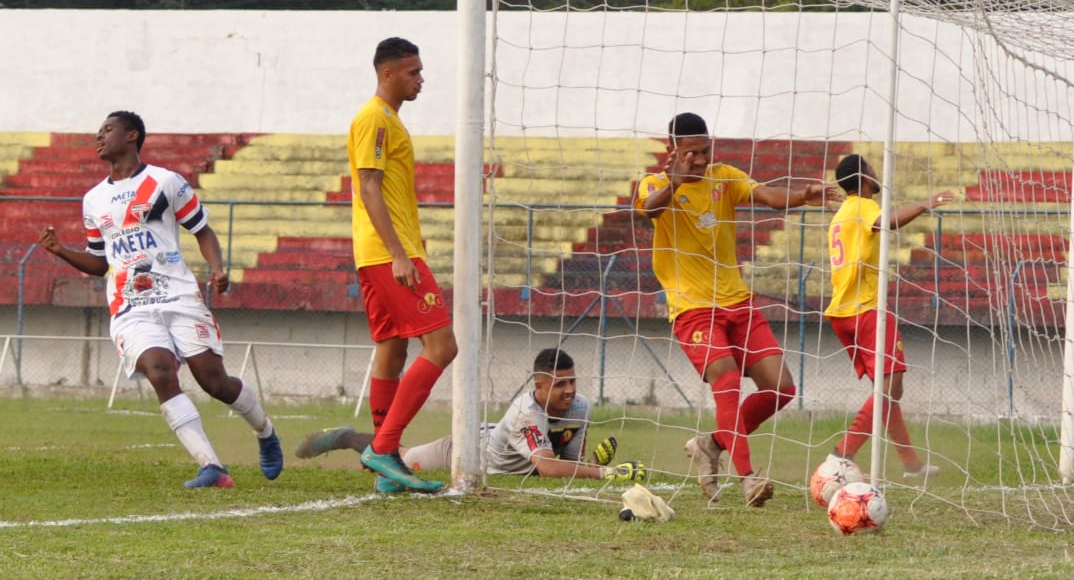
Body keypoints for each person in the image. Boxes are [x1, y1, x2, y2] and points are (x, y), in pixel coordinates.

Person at [37, 110, 283, 489]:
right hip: (130, 305)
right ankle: (212, 467)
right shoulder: (93, 200)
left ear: (132, 135)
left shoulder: (164, 182)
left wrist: (217, 268)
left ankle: (265, 431)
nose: (98, 136)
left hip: (179, 294)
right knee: (159, 370)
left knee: (213, 382)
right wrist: (61, 251)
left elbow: (203, 230)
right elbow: (100, 262)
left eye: (108, 130)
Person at [634, 112, 840, 506]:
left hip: (737, 302)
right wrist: (676, 180)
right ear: (672, 150)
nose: (700, 160)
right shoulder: (656, 183)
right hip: (693, 308)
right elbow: (647, 212)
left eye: (705, 151)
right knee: (726, 380)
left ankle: (712, 444)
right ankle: (747, 477)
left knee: (781, 388)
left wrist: (802, 197)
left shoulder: (723, 176)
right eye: (692, 153)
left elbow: (764, 195)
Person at [347, 36, 458, 494]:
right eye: (413, 72)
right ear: (388, 73)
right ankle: (384, 447)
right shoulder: (373, 117)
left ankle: (385, 467)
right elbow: (368, 186)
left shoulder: (389, 120)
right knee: (442, 346)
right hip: (387, 253)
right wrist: (398, 253)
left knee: (392, 350)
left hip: (381, 252)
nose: (421, 79)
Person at [296, 348, 644, 492]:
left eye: (572, 382)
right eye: (560, 383)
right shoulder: (527, 411)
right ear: (539, 384)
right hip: (467, 450)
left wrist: (591, 464)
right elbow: (549, 469)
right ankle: (344, 438)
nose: (570, 391)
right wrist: (606, 474)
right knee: (396, 457)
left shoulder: (581, 407)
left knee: (395, 460)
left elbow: (563, 468)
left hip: (502, 446)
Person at [822, 153, 951, 479]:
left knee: (888, 391)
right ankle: (841, 454)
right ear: (865, 178)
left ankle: (911, 464)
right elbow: (886, 222)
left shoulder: (841, 214)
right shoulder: (863, 206)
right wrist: (926, 204)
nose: (878, 173)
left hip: (842, 312)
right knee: (890, 388)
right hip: (866, 310)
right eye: (872, 169)